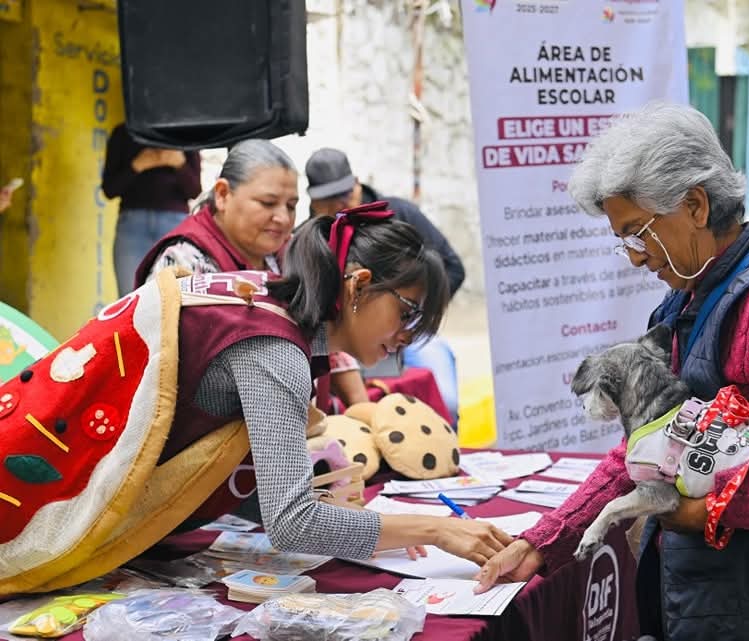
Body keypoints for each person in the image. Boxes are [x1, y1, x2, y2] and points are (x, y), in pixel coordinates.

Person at [476, 103, 749, 641]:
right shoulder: (688, 298)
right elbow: (651, 447)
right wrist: (544, 541)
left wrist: (709, 509)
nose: (634, 257)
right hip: (729, 597)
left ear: (695, 205)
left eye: (638, 233)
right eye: (624, 240)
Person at [0, 203, 511, 593]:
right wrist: (434, 530)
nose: (407, 337)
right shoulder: (275, 352)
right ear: (358, 286)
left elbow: (259, 489)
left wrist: (372, 529)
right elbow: (292, 522)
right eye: (408, 313)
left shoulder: (265, 301)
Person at [133, 139, 367, 407]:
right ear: (223, 195)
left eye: (291, 206)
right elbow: (165, 371)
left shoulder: (290, 254)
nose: (283, 218)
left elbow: (327, 334)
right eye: (268, 203)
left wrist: (359, 405)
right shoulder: (183, 262)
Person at [306, 148, 464, 424]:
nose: (339, 206)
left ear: (357, 184)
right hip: (345, 337)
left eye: (344, 196)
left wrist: (412, 315)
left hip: (405, 330)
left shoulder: (400, 212)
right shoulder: (313, 239)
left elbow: (453, 268)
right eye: (328, 200)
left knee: (445, 404)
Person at [102, 122, 202, 296]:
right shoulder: (124, 132)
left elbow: (194, 191)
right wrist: (137, 165)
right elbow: (110, 189)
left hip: (174, 226)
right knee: (130, 298)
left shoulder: (185, 132)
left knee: (176, 297)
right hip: (132, 226)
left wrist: (179, 164)